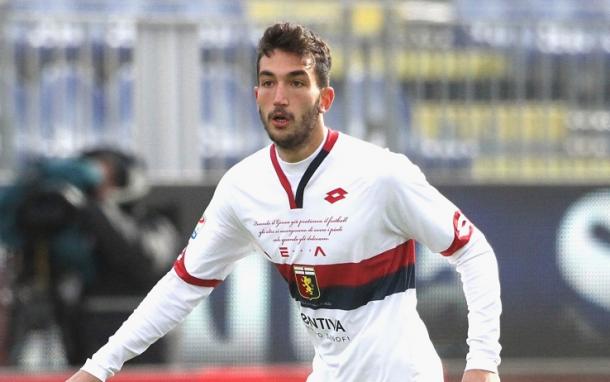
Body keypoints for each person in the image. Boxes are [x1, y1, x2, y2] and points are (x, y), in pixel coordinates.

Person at [67, 23, 501, 382]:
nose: (280, 97)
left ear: (324, 99)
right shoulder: (242, 187)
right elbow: (181, 286)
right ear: (255, 95)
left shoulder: (381, 174)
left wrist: (482, 363)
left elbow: (473, 250)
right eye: (269, 82)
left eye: (296, 82)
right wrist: (98, 368)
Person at [0, 149, 179, 366]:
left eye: (107, 177)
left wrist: (91, 209)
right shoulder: (68, 231)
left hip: (141, 359)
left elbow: (141, 259)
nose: (97, 185)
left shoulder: (155, 223)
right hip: (85, 356)